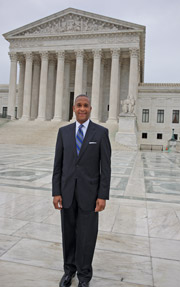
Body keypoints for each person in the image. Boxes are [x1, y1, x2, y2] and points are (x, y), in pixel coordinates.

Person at [52, 94, 111, 287]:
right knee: (68, 234)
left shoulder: (101, 133)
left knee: (86, 237)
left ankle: (84, 277)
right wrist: (56, 192)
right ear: (73, 108)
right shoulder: (64, 132)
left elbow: (106, 167)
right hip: (67, 193)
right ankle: (69, 271)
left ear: (91, 108)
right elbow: (58, 165)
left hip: (90, 195)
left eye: (86, 105)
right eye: (79, 105)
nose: (82, 109)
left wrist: (102, 195)